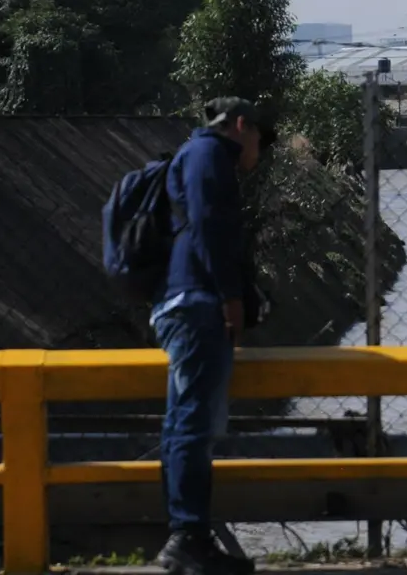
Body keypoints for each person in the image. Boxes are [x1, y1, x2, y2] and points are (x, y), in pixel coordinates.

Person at [152, 97, 263, 575]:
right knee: (194, 425)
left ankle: (187, 536)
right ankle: (187, 537)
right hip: (198, 306)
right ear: (241, 126)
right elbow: (211, 227)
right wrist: (230, 297)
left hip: (187, 303)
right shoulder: (209, 156)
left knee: (186, 423)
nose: (259, 148)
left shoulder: (194, 154)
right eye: (259, 137)